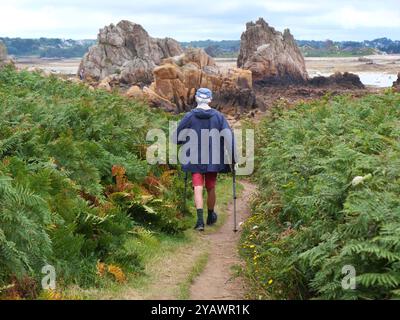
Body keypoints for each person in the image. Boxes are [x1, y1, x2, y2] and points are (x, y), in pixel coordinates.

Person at [175, 88, 235, 231]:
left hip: (194, 156)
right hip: (213, 157)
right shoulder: (219, 117)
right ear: (210, 99)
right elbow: (229, 138)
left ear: (196, 99)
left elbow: (177, 137)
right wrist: (233, 158)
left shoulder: (189, 116)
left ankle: (200, 221)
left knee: (197, 186)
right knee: (210, 186)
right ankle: (210, 215)